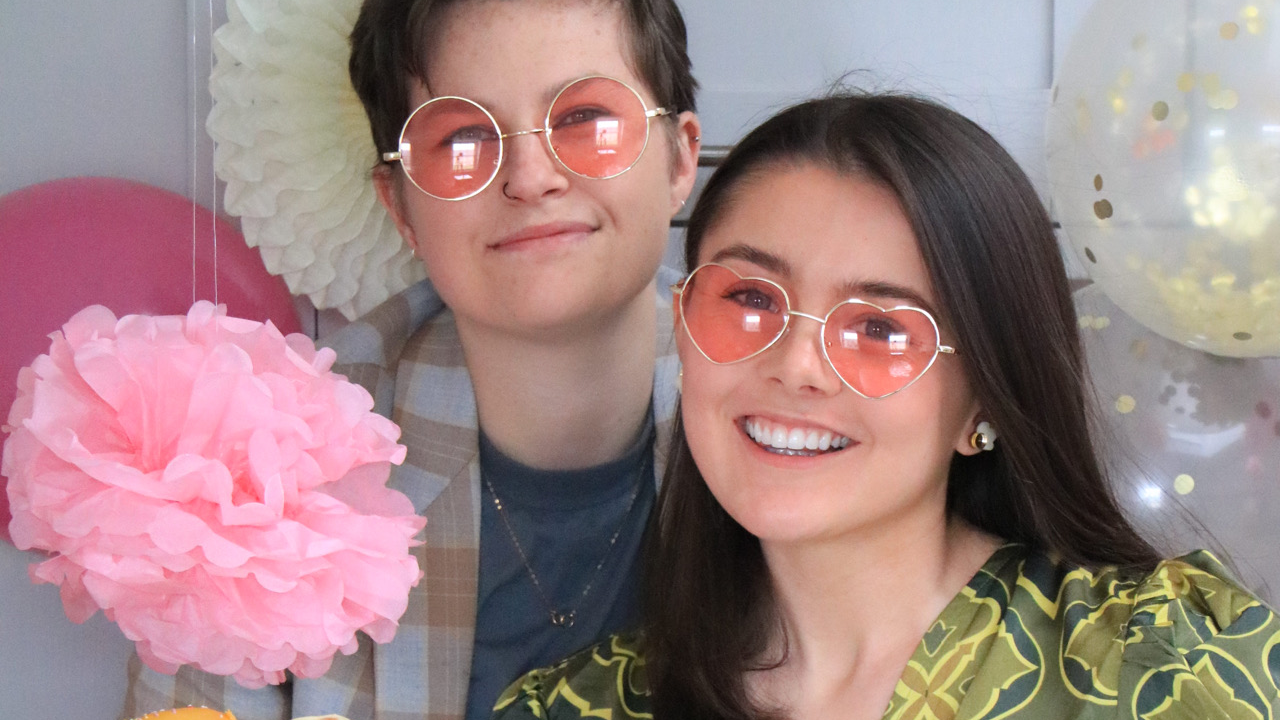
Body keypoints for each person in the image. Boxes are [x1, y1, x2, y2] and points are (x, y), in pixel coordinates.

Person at [491, 93, 1280, 719]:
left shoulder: (1163, 666)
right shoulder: (579, 706)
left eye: (879, 327)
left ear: (988, 396)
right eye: (751, 298)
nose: (797, 365)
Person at [121, 0, 700, 718]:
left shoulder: (803, 407)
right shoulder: (270, 473)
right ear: (400, 206)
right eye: (461, 137)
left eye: (585, 120)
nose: (529, 176)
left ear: (679, 158)